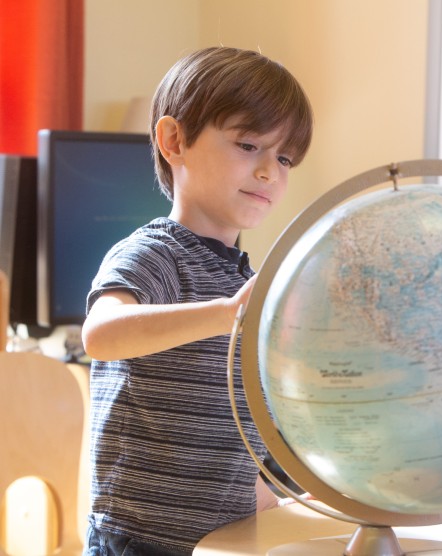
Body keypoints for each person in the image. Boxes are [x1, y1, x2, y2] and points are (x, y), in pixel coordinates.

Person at [81, 46, 313, 555]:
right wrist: (227, 314)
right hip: (138, 538)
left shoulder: (244, 276)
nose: (270, 172)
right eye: (249, 144)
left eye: (285, 157)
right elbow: (101, 334)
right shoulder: (155, 254)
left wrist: (266, 488)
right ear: (174, 140)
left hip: (221, 538)